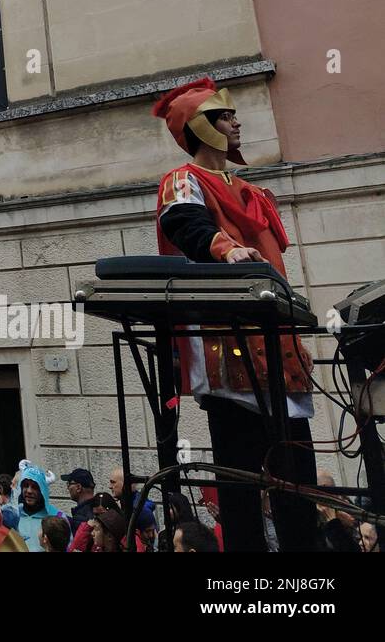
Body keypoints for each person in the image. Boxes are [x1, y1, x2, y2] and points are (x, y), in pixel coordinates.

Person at [152, 78, 319, 552]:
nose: (237, 122)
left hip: (278, 350)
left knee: (298, 486)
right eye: (225, 116)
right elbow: (186, 224)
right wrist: (224, 249)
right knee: (241, 484)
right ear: (201, 127)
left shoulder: (253, 190)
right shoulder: (183, 181)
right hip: (228, 347)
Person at [13, 461, 61, 552]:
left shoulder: (57, 516)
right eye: (26, 485)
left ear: (42, 490)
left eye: (35, 487)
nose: (29, 491)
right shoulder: (12, 515)